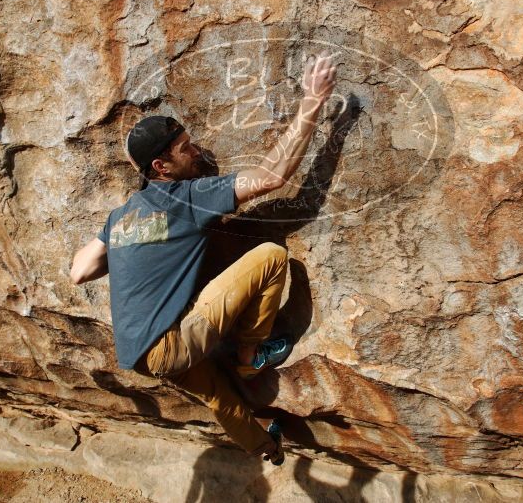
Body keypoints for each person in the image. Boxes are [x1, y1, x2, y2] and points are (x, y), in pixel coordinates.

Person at [70, 52, 337, 464]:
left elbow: (80, 271)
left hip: (140, 356)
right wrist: (312, 102)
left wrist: (128, 252)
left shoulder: (121, 217)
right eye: (185, 149)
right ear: (161, 166)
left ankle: (266, 446)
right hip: (169, 343)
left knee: (218, 392)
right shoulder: (185, 197)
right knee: (270, 256)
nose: (196, 152)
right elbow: (272, 176)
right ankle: (250, 356)